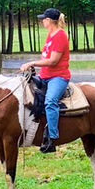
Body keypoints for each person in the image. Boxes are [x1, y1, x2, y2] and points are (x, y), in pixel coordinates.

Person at [20, 8, 70, 154]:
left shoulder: (60, 35)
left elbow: (53, 61)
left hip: (58, 76)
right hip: (45, 75)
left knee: (50, 101)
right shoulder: (51, 34)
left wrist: (32, 63)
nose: (42, 21)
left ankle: (52, 138)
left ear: (49, 20)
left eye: (44, 19)